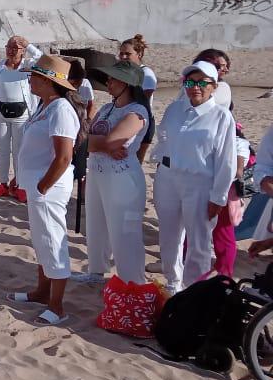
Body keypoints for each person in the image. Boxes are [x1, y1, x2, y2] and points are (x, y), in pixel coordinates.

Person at [7, 55, 85, 325]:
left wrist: (42, 186)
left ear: (48, 81)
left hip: (49, 187)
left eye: (35, 76)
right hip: (38, 184)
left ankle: (57, 305)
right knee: (41, 241)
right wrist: (24, 177)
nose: (30, 80)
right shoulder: (46, 105)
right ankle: (42, 292)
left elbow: (64, 156)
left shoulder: (61, 109)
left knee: (53, 241)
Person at [151, 61, 237, 293]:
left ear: (214, 86)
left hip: (200, 184)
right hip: (168, 179)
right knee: (169, 235)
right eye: (190, 82)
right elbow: (164, 139)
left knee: (199, 241)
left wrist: (218, 197)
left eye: (202, 82)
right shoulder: (174, 109)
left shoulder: (221, 117)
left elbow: (226, 161)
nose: (195, 87)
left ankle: (194, 289)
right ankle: (172, 283)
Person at [83, 61, 150, 285]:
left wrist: (95, 143)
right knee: (96, 225)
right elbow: (86, 137)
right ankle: (96, 272)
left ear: (128, 83)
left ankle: (132, 283)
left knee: (124, 233)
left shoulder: (137, 112)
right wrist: (98, 144)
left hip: (122, 178)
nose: (108, 82)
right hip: (97, 172)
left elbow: (112, 141)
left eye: (114, 78)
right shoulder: (106, 108)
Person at [0, 36, 42, 202]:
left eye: (15, 48)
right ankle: (3, 184)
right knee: (2, 151)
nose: (11, 50)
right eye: (9, 47)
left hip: (22, 116)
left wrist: (28, 44)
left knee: (19, 152)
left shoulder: (29, 66)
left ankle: (20, 186)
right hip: (0, 114)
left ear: (22, 51)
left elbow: (43, 59)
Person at [211, 123, 252, 277]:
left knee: (223, 233)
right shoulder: (234, 141)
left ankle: (224, 271)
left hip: (226, 194)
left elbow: (238, 171)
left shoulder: (238, 143)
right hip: (216, 191)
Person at [117, 34, 158, 162]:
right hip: (123, 117)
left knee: (133, 162)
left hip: (140, 120)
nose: (123, 57)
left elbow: (142, 100)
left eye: (127, 54)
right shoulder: (123, 72)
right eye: (121, 53)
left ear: (139, 54)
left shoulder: (146, 74)